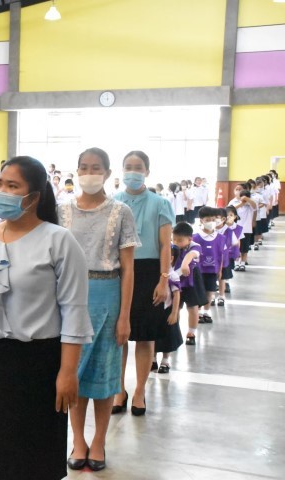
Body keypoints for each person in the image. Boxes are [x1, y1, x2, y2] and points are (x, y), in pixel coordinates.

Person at [0, 156, 93, 480]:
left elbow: (73, 310)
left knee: (33, 457)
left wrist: (68, 371)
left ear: (34, 197)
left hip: (38, 364)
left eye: (13, 186)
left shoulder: (58, 240)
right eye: (0, 184)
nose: (2, 192)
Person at [58, 148, 138, 472]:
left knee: (104, 375)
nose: (89, 173)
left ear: (107, 173)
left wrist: (124, 317)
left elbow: (128, 269)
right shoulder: (62, 210)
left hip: (107, 295)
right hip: (69, 296)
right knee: (73, 373)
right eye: (84, 167)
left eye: (96, 168)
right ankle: (78, 440)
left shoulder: (121, 212)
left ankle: (99, 440)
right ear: (76, 171)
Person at [112, 150, 174, 416]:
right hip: (119, 270)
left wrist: (164, 279)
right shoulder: (114, 201)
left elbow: (165, 245)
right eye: (128, 166)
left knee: (145, 336)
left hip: (150, 271)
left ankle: (139, 391)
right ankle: (119, 390)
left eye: (138, 167)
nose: (133, 171)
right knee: (119, 335)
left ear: (147, 171)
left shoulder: (160, 203)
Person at [171, 222, 206, 346]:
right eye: (174, 239)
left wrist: (185, 264)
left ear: (189, 239)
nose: (176, 242)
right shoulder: (171, 247)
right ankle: (175, 331)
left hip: (191, 281)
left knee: (192, 307)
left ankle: (191, 332)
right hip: (176, 281)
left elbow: (191, 255)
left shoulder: (195, 246)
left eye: (180, 240)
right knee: (176, 307)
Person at [193, 207, 227, 323]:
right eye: (207, 220)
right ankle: (198, 312)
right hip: (198, 271)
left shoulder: (221, 238)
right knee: (199, 291)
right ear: (201, 220)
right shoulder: (195, 237)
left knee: (210, 291)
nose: (211, 222)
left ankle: (206, 312)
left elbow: (221, 255)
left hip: (213, 270)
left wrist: (220, 270)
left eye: (213, 219)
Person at [153, 244, 182, 373]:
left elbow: (176, 295)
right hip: (155, 310)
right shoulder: (155, 273)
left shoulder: (173, 275)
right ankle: (152, 359)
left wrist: (174, 313)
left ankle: (165, 360)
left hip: (167, 311)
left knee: (168, 337)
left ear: (171, 258)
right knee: (153, 335)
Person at [228, 184, 256, 271]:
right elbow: (229, 210)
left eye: (240, 189)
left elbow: (255, 206)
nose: (238, 191)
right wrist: (241, 204)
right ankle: (237, 263)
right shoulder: (233, 202)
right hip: (235, 228)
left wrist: (247, 199)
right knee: (237, 247)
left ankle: (243, 263)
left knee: (245, 248)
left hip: (246, 228)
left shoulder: (250, 202)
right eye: (236, 189)